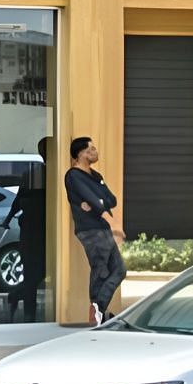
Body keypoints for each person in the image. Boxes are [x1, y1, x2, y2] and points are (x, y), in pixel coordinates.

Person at [64, 136, 124, 325]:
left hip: (102, 228)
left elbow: (110, 200)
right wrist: (96, 203)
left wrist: (97, 203)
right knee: (101, 269)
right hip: (90, 229)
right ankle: (97, 312)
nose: (95, 151)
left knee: (119, 270)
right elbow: (91, 198)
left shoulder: (96, 176)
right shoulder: (73, 175)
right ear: (80, 153)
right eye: (91, 149)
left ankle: (98, 308)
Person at [6, 136, 50, 322]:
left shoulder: (34, 174)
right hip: (35, 229)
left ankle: (17, 297)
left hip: (38, 228)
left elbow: (19, 200)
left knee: (37, 271)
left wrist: (9, 217)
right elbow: (19, 200)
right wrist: (9, 217)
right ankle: (28, 312)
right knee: (35, 271)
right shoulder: (38, 174)